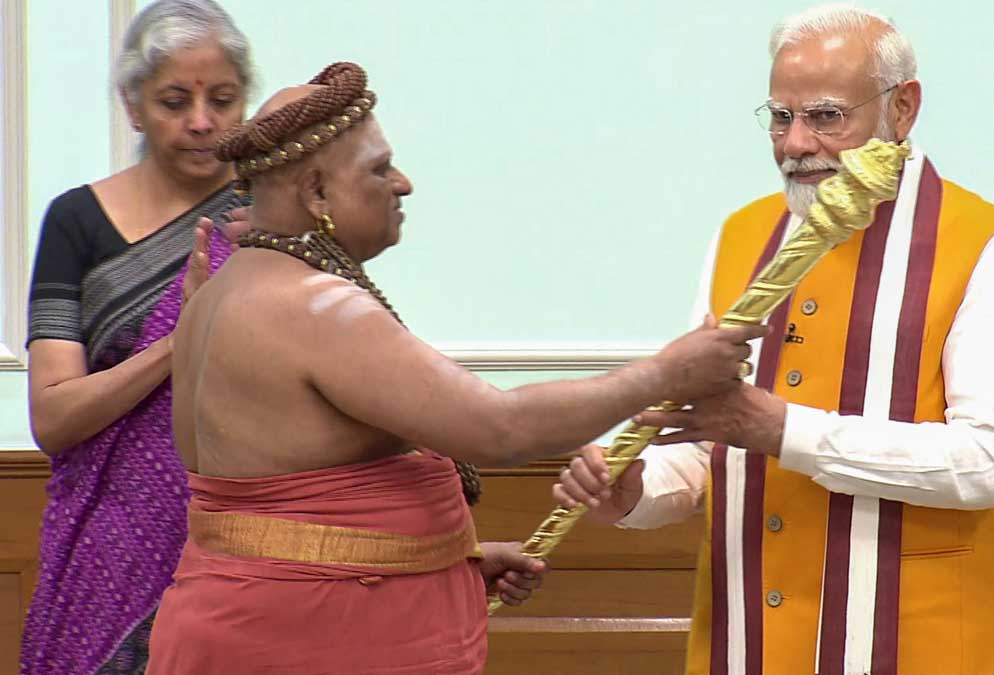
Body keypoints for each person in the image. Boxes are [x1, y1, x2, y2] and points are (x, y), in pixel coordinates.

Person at [144, 62, 765, 675]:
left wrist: (440, 560)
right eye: (379, 169)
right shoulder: (308, 305)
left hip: (263, 619)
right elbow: (501, 427)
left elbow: (280, 516)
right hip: (299, 636)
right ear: (317, 193)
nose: (403, 184)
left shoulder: (222, 295)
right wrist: (665, 374)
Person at [553, 5, 994, 675]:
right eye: (781, 117)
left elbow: (985, 463)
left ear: (902, 108)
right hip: (746, 642)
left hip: (922, 646)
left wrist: (784, 430)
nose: (795, 144)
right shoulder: (741, 235)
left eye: (825, 116)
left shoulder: (987, 247)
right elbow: (708, 444)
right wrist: (635, 492)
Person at [21, 2, 253, 673]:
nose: (202, 121)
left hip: (245, 542)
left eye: (223, 99)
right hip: (111, 543)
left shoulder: (268, 218)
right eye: (175, 102)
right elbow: (53, 417)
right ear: (133, 106)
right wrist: (179, 342)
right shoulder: (77, 222)